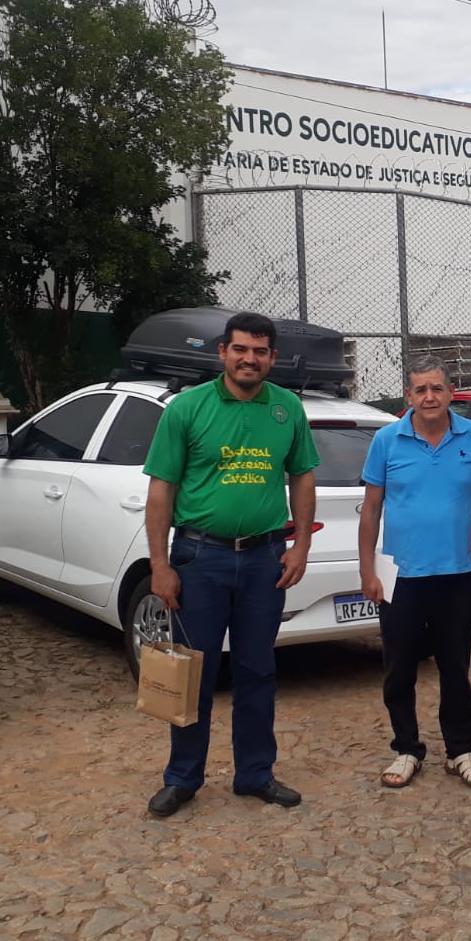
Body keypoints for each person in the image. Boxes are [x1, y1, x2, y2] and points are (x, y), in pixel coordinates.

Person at [141, 311, 318, 818]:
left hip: (265, 559)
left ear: (272, 358)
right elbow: (161, 490)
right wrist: (160, 565)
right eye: (240, 349)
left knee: (257, 670)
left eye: (260, 351)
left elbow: (302, 476)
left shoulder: (287, 408)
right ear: (223, 352)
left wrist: (301, 546)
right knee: (192, 671)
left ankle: (255, 774)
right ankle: (182, 778)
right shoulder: (187, 408)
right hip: (201, 558)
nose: (249, 359)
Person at [359, 355, 471, 790]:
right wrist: (367, 570)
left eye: (437, 388)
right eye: (421, 389)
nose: (430, 396)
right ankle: (406, 749)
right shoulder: (386, 440)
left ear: (451, 392)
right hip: (399, 575)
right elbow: (371, 509)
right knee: (399, 668)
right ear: (409, 395)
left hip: (456, 573)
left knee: (455, 667)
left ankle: (461, 750)